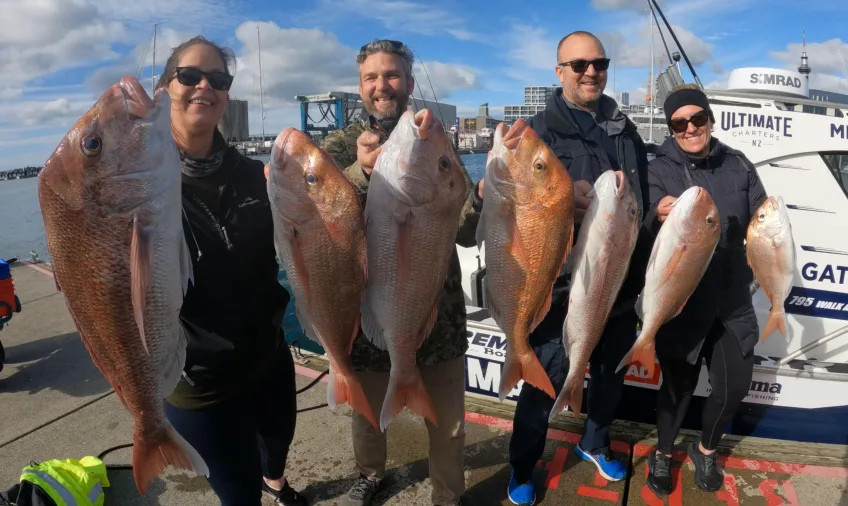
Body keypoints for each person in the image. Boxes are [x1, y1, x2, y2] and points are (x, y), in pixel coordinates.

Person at [320, 39, 484, 506]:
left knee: (449, 424)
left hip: (441, 314)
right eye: (371, 77)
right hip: (365, 309)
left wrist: (483, 198)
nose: (381, 86)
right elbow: (317, 214)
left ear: (409, 84)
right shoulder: (341, 143)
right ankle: (370, 474)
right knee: (367, 412)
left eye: (391, 75)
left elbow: (466, 231)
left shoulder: (436, 140)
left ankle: (448, 496)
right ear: (360, 87)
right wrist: (359, 173)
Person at [155, 37, 308, 506]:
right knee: (237, 492)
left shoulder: (251, 174)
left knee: (278, 445)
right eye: (190, 76)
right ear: (164, 89)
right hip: (197, 379)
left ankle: (276, 480)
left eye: (218, 80)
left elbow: (296, 249)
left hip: (268, 355)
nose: (206, 86)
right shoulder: (142, 183)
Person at [505, 31, 652, 505]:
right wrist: (568, 202)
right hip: (561, 282)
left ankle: (595, 441)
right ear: (559, 72)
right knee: (545, 375)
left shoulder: (624, 127)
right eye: (579, 64)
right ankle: (524, 466)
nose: (591, 72)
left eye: (600, 63)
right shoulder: (536, 132)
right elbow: (511, 208)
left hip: (618, 279)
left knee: (609, 372)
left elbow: (641, 201)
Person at [643, 84, 767, 496]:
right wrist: (656, 211)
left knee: (734, 388)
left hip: (732, 299)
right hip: (683, 300)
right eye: (680, 123)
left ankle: (705, 449)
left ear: (710, 120)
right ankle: (662, 453)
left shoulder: (739, 163)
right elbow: (645, 210)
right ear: (671, 128)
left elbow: (760, 215)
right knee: (676, 387)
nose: (690, 127)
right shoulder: (657, 168)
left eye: (698, 118)